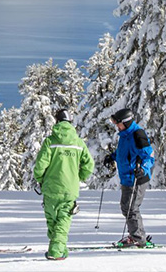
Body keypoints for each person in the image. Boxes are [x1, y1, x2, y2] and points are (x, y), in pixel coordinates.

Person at [33, 109, 94, 260]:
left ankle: (56, 250)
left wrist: (40, 179)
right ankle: (59, 248)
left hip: (50, 188)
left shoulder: (50, 141)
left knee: (52, 220)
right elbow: (89, 164)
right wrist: (78, 177)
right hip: (70, 189)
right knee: (63, 220)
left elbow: (40, 165)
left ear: (57, 121)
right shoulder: (79, 143)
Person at [104, 107, 155, 248]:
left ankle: (138, 238)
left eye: (118, 124)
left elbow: (149, 155)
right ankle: (136, 235)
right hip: (127, 178)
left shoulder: (138, 134)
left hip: (137, 178)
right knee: (126, 208)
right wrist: (112, 157)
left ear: (126, 122)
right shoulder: (124, 134)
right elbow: (123, 153)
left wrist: (143, 169)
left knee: (131, 208)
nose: (116, 126)